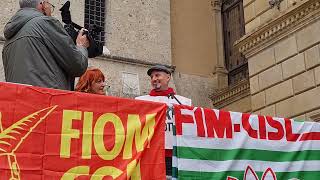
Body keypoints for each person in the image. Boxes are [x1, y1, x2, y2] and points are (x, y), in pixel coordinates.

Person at [2, 0, 89, 90]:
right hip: (47, 100)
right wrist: (81, 45)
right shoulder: (45, 23)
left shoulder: (9, 39)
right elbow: (77, 65)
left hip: (20, 100)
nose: (50, 9)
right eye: (49, 4)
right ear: (42, 4)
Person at [135, 64, 192, 179]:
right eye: (152, 77)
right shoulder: (140, 101)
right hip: (151, 153)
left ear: (168, 77)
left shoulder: (183, 102)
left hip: (176, 154)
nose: (154, 79)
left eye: (157, 75)